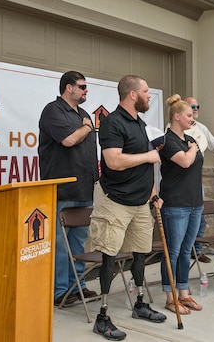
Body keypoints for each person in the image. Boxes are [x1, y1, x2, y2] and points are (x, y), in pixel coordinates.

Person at [91, 75, 166, 340]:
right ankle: (102, 316)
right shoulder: (112, 122)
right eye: (146, 91)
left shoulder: (140, 123)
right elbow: (113, 161)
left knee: (140, 252)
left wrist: (153, 194)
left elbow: (146, 167)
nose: (148, 95)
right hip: (114, 200)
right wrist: (149, 155)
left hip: (140, 201)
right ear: (132, 94)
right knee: (109, 256)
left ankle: (140, 304)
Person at [38, 71, 99, 307]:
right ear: (68, 88)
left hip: (84, 189)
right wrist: (85, 128)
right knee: (60, 245)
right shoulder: (53, 110)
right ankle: (59, 291)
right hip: (62, 190)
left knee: (79, 242)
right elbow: (68, 140)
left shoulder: (84, 114)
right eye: (82, 86)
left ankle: (78, 286)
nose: (86, 91)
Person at [157, 95, 204, 314]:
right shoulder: (167, 141)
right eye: (188, 114)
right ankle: (170, 297)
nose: (192, 117)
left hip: (195, 202)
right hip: (176, 204)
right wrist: (192, 148)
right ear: (177, 117)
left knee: (186, 250)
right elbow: (185, 161)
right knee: (172, 252)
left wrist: (191, 146)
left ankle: (184, 293)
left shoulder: (188, 139)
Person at [184, 96, 214, 264]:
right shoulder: (175, 127)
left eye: (197, 106)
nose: (196, 109)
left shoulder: (202, 128)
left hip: (196, 178)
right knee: (184, 217)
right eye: (192, 106)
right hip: (181, 179)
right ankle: (184, 251)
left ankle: (197, 251)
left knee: (201, 215)